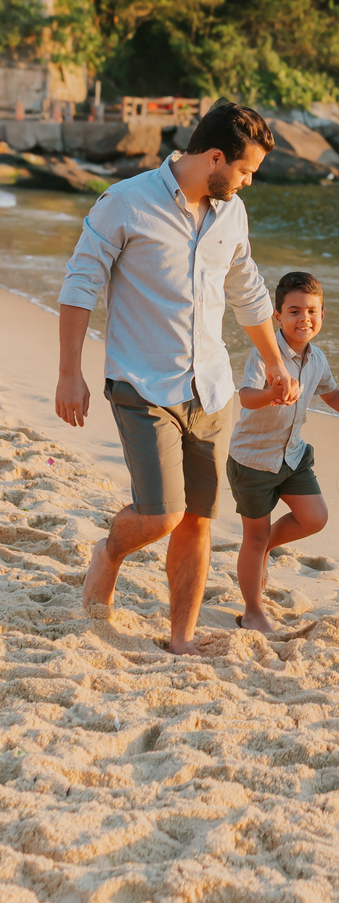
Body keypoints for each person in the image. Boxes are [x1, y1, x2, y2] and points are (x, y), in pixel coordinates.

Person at [55, 100, 296, 655]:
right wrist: (70, 373)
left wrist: (276, 362)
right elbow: (80, 283)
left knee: (197, 520)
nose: (248, 182)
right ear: (214, 158)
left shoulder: (230, 213)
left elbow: (248, 290)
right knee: (161, 514)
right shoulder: (125, 202)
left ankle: (181, 637)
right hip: (142, 384)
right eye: (245, 170)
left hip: (211, 389)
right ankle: (107, 553)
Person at [228, 269, 339, 633]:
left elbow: (332, 393)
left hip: (292, 455)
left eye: (312, 311)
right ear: (277, 316)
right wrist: (271, 394)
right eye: (294, 311)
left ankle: (264, 548)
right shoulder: (266, 355)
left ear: (322, 315)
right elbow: (246, 397)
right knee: (253, 536)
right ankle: (253, 610)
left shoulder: (316, 358)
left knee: (314, 517)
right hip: (253, 460)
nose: (304, 318)